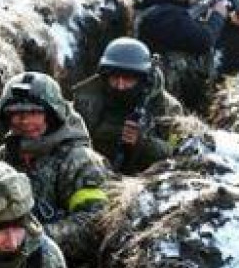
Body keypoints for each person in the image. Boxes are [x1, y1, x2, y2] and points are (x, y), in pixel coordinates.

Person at [0, 72, 109, 262]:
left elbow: (96, 223)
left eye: (34, 113)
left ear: (53, 115)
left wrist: (32, 238)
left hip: (65, 266)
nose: (25, 121)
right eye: (16, 114)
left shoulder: (80, 161)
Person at [134, 0, 239, 111]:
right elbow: (204, 40)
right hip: (159, 93)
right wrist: (218, 15)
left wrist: (228, 17)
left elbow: (188, 25)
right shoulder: (166, 16)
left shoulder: (156, 5)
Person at [73, 37, 184, 174]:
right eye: (115, 78)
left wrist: (144, 142)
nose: (120, 85)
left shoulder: (169, 108)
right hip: (92, 171)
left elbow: (178, 153)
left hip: (147, 177)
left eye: (128, 79)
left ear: (142, 79)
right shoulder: (87, 98)